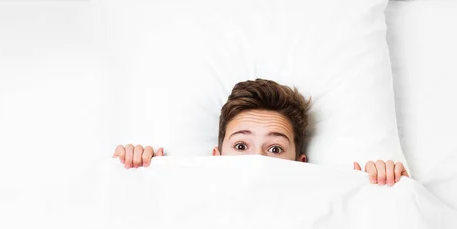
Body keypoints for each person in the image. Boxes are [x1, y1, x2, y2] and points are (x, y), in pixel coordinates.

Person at [112, 78, 410, 186]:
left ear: (300, 162)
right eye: (241, 146)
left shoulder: (321, 195)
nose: (256, 160)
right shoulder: (185, 189)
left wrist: (384, 187)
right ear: (217, 156)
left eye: (275, 149)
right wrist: (136, 172)